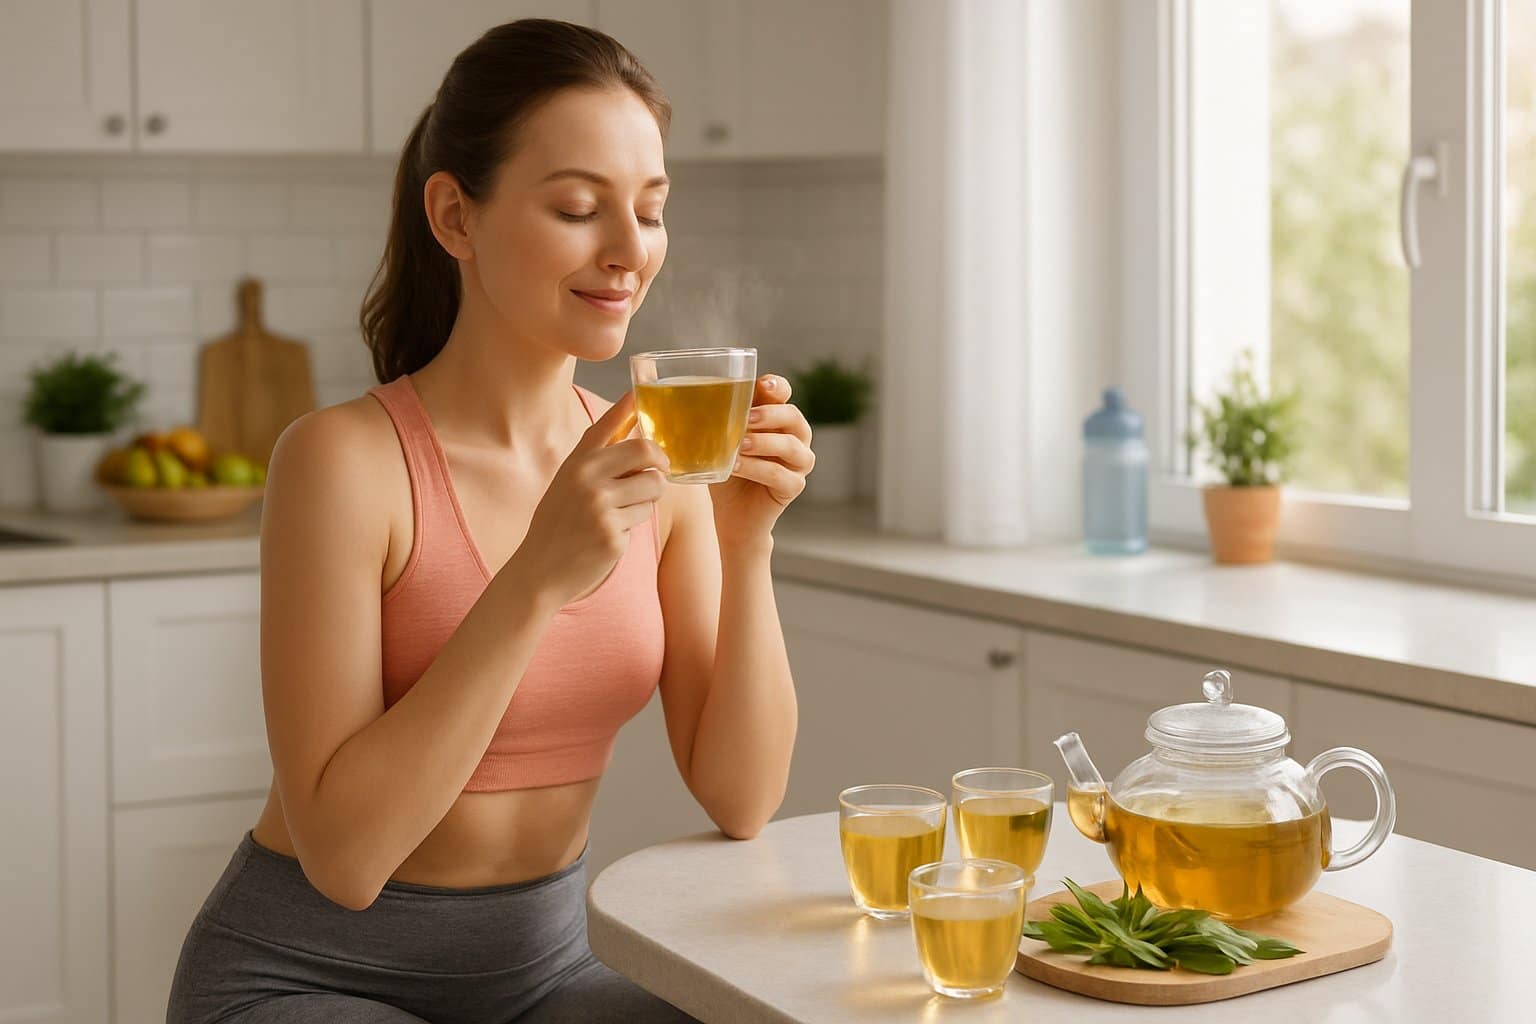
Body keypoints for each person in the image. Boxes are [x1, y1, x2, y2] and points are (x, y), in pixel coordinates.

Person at [166, 18, 810, 1023]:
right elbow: (344, 856)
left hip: (543, 976)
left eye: (650, 210)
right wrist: (534, 579)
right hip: (308, 978)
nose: (627, 251)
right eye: (577, 208)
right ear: (455, 216)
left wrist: (747, 539)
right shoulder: (342, 462)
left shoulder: (658, 459)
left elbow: (742, 797)